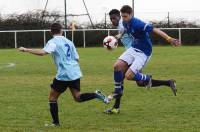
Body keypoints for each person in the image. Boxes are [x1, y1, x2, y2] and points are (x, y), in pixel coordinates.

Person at [18, 23, 108, 126]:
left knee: (52, 98)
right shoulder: (69, 42)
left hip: (64, 74)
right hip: (74, 72)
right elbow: (77, 58)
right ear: (62, 31)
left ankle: (55, 123)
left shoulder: (53, 42)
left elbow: (43, 52)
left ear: (51, 32)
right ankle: (96, 95)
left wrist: (26, 50)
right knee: (77, 97)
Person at [105, 6, 181, 114]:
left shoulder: (138, 23)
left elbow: (154, 29)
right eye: (122, 16)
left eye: (125, 16)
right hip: (133, 49)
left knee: (130, 77)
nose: (123, 19)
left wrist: (169, 39)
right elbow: (126, 29)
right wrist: (118, 36)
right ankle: (117, 99)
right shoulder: (125, 22)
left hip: (143, 52)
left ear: (131, 15)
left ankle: (147, 78)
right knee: (117, 67)